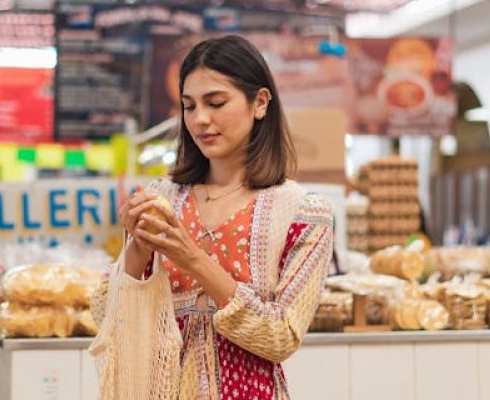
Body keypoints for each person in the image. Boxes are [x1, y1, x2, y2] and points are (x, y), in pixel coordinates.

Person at [99, 35, 334, 399]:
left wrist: (191, 258)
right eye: (189, 106)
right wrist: (137, 251)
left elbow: (280, 336)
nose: (200, 119)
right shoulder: (163, 198)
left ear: (260, 102)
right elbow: (105, 315)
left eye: (216, 102)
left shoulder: (303, 213)